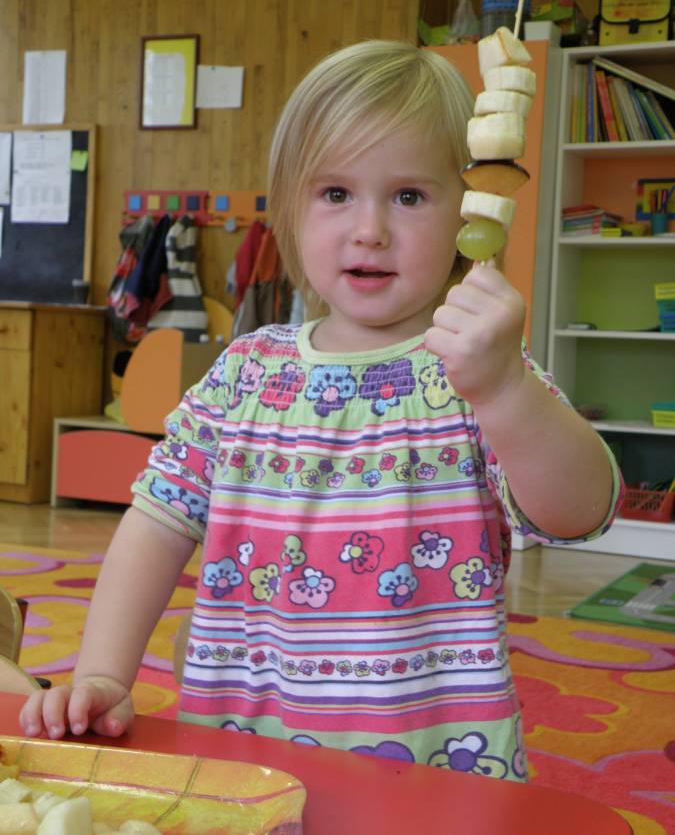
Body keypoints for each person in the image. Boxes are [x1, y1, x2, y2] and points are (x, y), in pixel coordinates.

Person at [20, 40, 622, 782]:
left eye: (409, 196)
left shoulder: (478, 369)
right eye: (336, 193)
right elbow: (157, 525)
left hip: (433, 768)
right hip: (245, 752)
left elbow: (579, 514)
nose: (369, 229)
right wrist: (104, 673)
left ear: (467, 214)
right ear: (291, 208)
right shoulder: (243, 371)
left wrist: (504, 392)